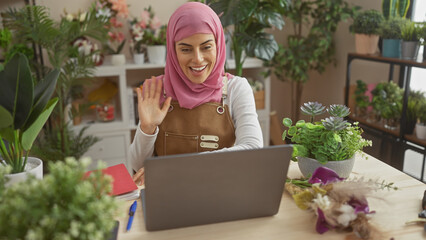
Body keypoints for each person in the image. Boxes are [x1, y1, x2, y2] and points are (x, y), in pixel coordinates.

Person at [130, 2, 263, 185]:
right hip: (169, 195)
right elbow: (138, 169)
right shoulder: (156, 91)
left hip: (223, 190)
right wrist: (147, 128)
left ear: (218, 44)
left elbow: (252, 149)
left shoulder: (236, 89)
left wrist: (177, 168)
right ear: (173, 50)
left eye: (206, 47)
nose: (198, 59)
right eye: (185, 49)